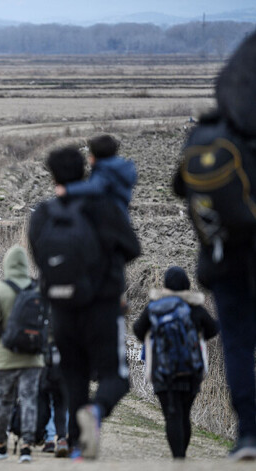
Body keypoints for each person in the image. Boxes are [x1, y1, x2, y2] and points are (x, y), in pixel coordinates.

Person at [173, 31, 256, 461]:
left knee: (239, 344)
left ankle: (248, 433)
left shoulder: (207, 134)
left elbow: (178, 186)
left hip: (223, 257)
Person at [29, 146, 141, 460]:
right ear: (86, 171)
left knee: (73, 376)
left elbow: (40, 257)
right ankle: (96, 410)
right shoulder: (104, 207)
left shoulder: (44, 213)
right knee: (115, 377)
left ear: (52, 175)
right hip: (103, 305)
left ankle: (78, 447)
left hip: (61, 308)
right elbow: (132, 248)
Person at [133, 267, 219, 459]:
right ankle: (182, 456)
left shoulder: (155, 306)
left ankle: (178, 458)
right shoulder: (195, 308)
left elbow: (138, 330)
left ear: (165, 285)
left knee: (172, 415)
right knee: (184, 415)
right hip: (190, 371)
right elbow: (213, 329)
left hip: (162, 372)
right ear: (187, 285)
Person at [0, 246, 45, 463]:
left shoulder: (0, 290)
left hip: (6, 356)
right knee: (29, 399)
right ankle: (27, 444)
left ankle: (0, 443)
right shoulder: (37, 289)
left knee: (5, 401)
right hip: (33, 356)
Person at [55, 135, 137, 220]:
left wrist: (67, 189)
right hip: (122, 214)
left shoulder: (105, 171)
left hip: (110, 217)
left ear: (94, 157)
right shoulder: (119, 167)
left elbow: (95, 187)